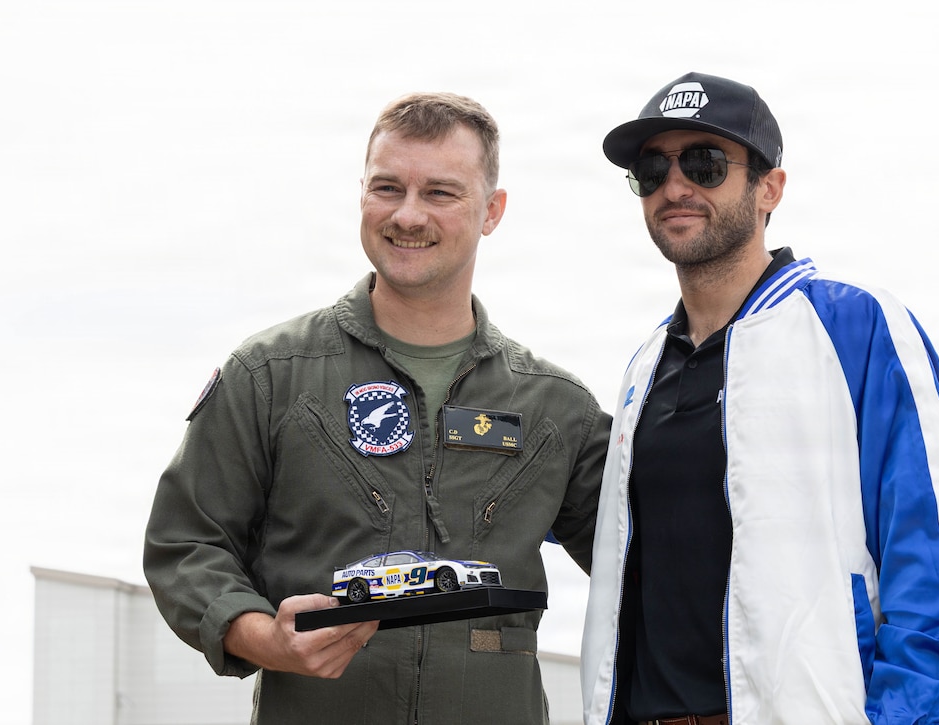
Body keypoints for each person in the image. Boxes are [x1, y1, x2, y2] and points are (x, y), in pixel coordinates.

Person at [144, 91, 611, 724]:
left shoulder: (558, 410)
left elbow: (651, 566)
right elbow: (186, 541)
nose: (408, 216)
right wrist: (263, 638)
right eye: (387, 188)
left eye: (441, 193)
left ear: (492, 211)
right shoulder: (271, 376)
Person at [580, 72, 939, 725]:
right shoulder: (644, 367)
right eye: (653, 168)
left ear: (769, 187)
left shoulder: (857, 325)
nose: (676, 186)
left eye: (705, 163)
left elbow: (935, 564)